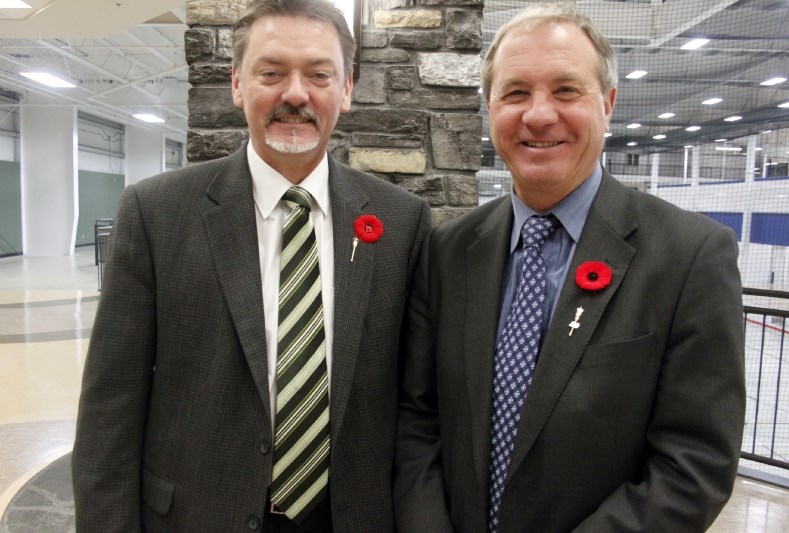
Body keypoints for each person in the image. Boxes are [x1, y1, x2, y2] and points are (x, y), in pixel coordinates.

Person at [72, 0, 431, 530]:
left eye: (318, 74)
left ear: (347, 89)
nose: (294, 93)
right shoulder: (157, 214)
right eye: (271, 72)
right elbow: (111, 410)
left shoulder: (402, 224)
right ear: (238, 85)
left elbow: (415, 408)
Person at [393, 3, 745, 532]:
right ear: (490, 108)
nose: (538, 114)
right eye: (515, 92)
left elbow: (693, 464)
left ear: (607, 104)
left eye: (565, 90)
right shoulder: (447, 253)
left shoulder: (690, 257)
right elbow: (418, 423)